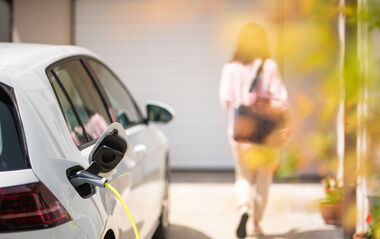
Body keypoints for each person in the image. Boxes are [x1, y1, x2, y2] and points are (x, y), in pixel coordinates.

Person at [219, 23, 290, 238]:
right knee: (263, 180)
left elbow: (225, 100)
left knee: (243, 177)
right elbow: (282, 101)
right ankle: (257, 222)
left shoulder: (230, 68)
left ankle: (244, 209)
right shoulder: (269, 66)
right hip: (266, 134)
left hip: (241, 132)